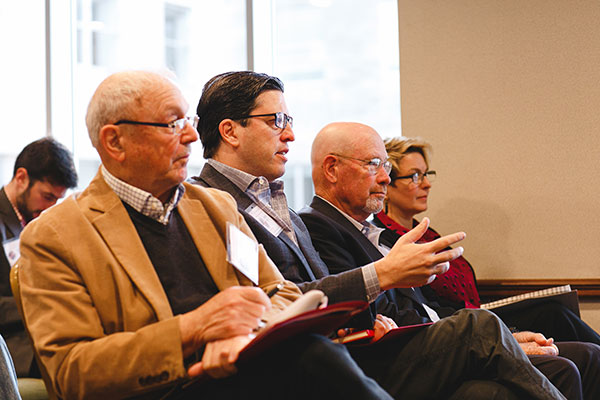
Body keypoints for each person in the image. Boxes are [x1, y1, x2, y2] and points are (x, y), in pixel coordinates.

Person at [17, 71, 396, 400]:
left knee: (315, 357)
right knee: (313, 359)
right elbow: (71, 373)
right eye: (171, 124)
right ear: (115, 142)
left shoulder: (214, 206)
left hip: (244, 371)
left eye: (188, 121)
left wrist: (245, 336)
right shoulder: (54, 235)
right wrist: (194, 330)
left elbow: (281, 293)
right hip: (165, 390)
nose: (191, 137)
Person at [192, 70, 566, 399]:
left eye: (289, 119)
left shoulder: (283, 208)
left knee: (490, 392)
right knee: (478, 326)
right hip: (302, 366)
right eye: (276, 120)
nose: (290, 134)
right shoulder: (205, 205)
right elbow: (265, 303)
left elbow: (320, 288)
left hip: (345, 347)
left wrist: (363, 318)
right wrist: (382, 276)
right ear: (230, 131)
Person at [299, 121, 600, 400]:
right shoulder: (318, 226)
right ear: (332, 169)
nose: (385, 177)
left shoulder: (383, 235)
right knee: (492, 332)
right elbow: (370, 315)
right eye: (373, 164)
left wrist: (505, 338)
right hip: (390, 359)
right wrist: (489, 339)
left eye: (387, 166)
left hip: (439, 342)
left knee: (582, 357)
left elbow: (429, 306)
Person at [375, 136, 600, 343]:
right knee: (553, 314)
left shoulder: (428, 233)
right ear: (388, 185)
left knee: (556, 311)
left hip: (476, 313)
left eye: (426, 174)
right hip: (452, 324)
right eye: (415, 176)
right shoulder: (386, 239)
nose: (426, 183)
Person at [0, 137, 78, 378]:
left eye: (57, 200)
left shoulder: (33, 223)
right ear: (21, 178)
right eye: (47, 197)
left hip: (41, 333)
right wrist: (41, 303)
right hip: (14, 345)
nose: (50, 207)